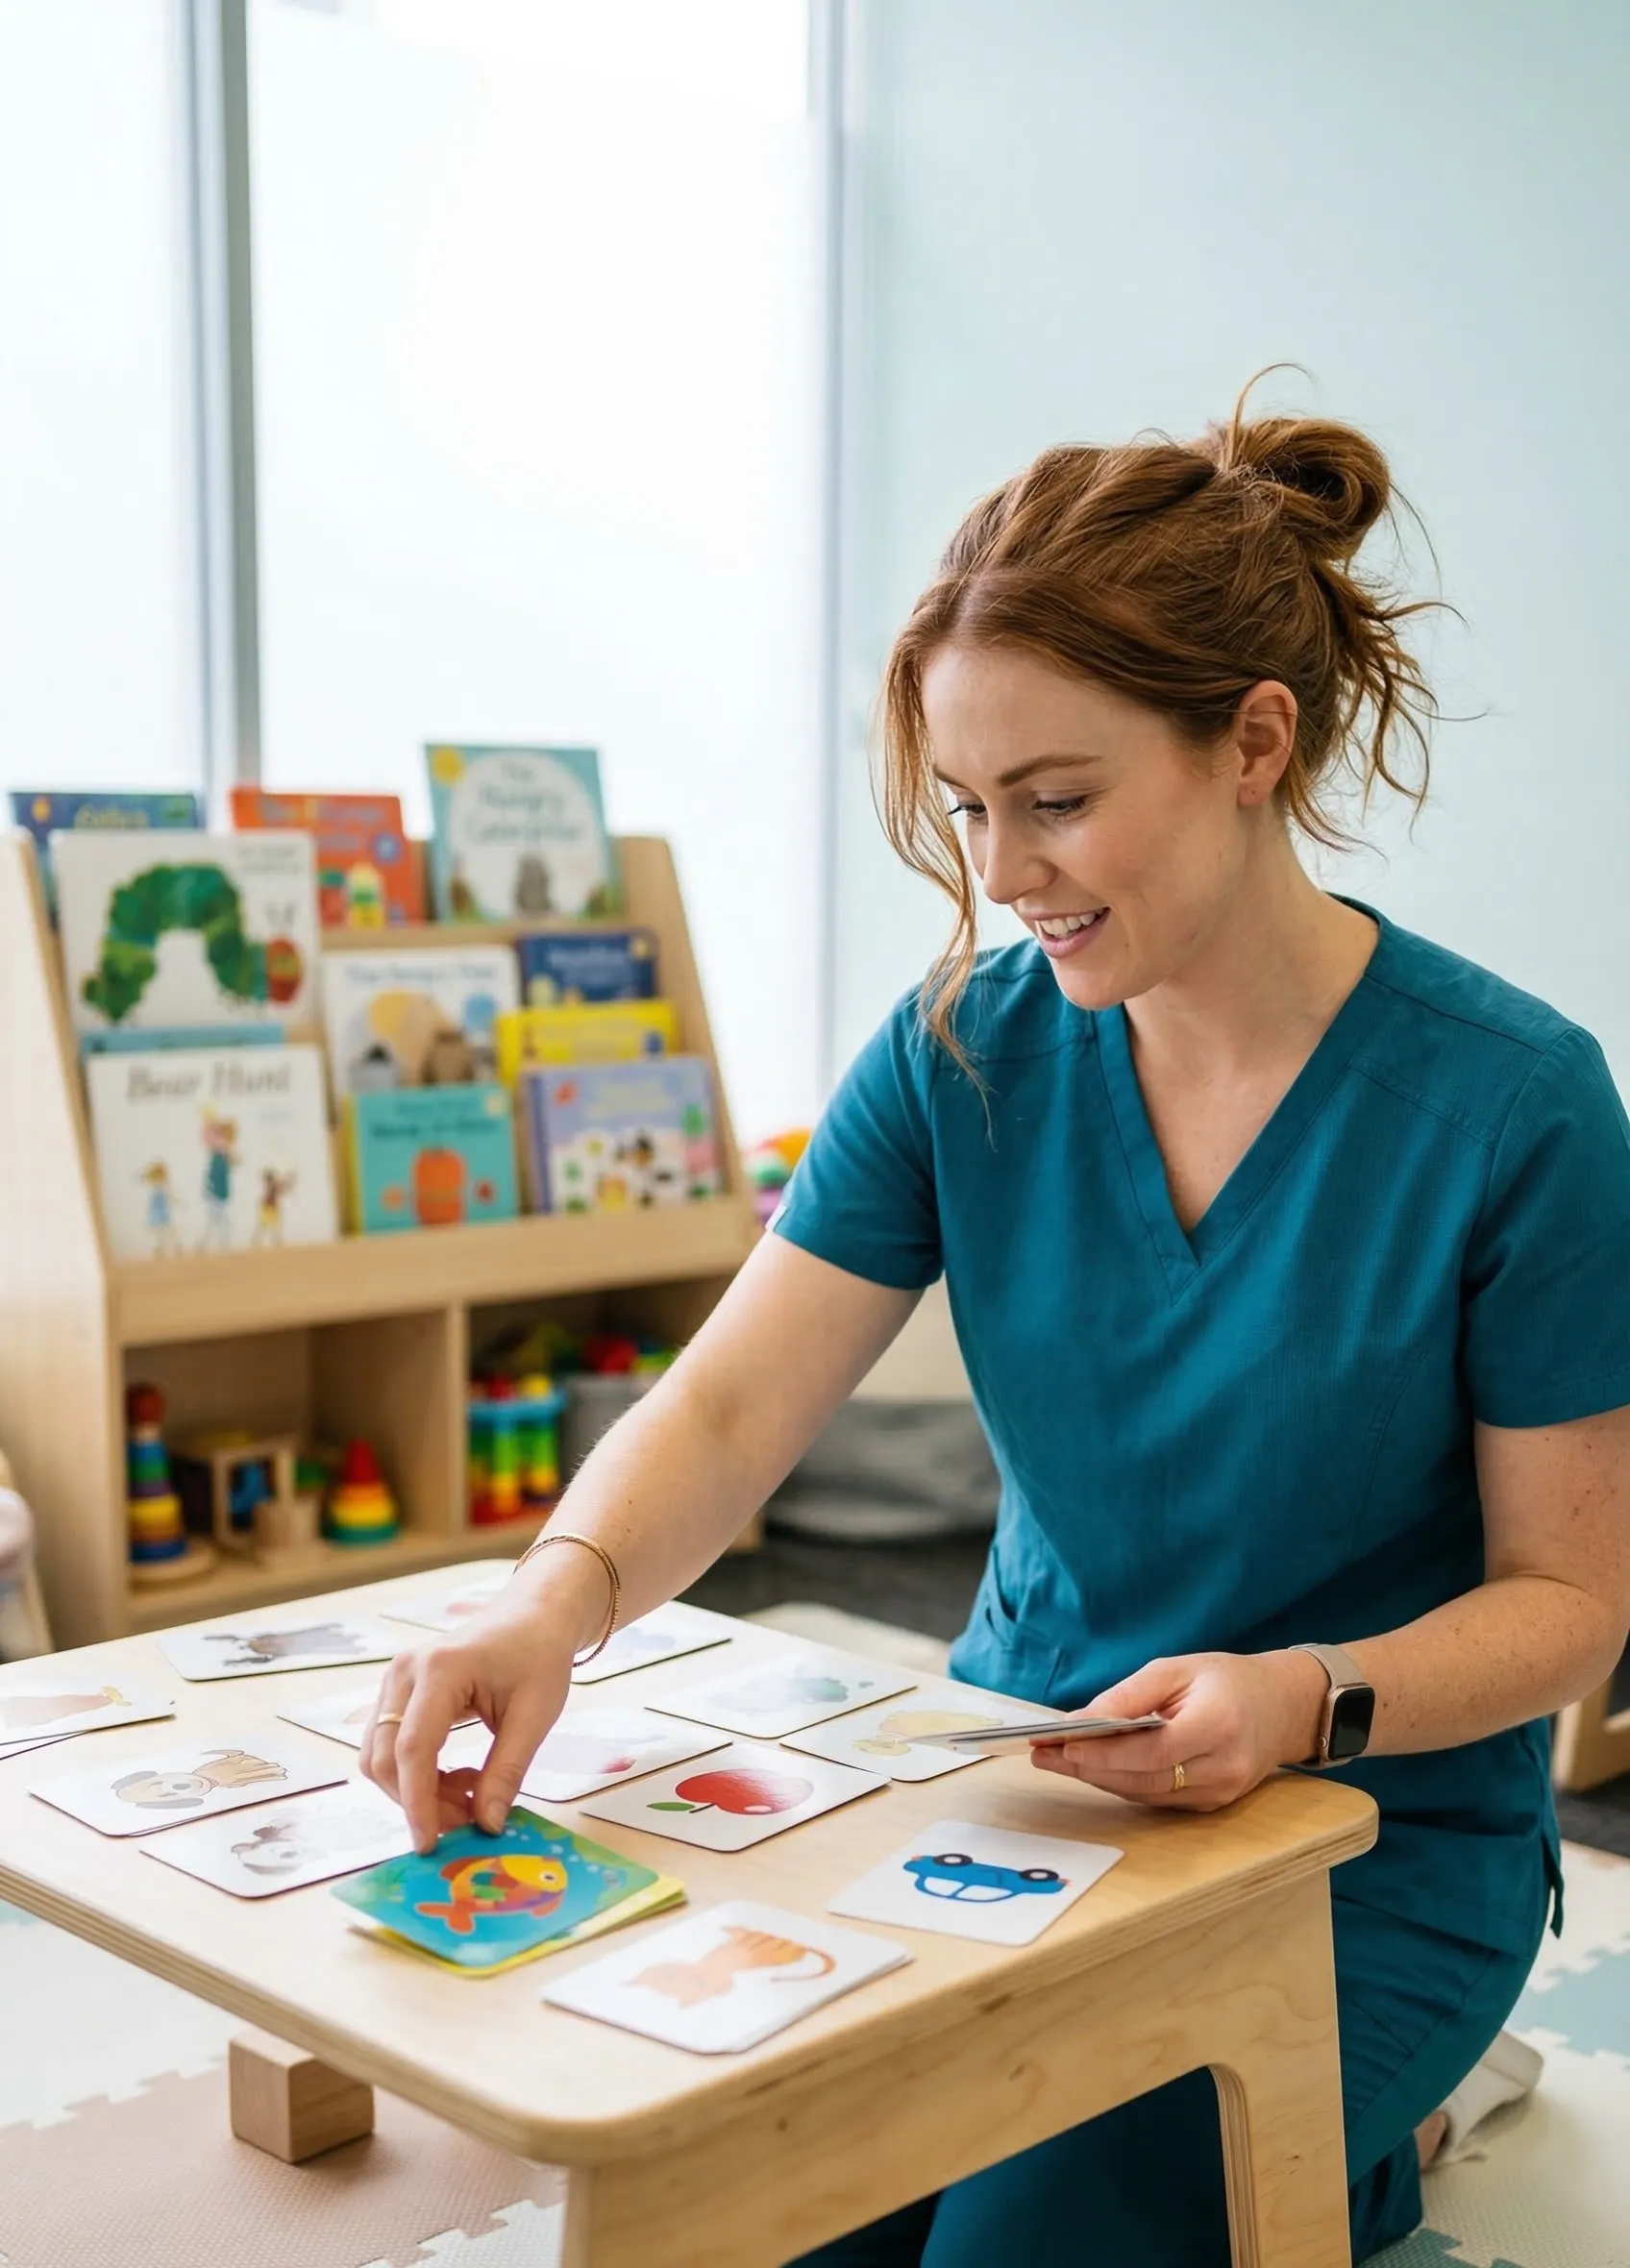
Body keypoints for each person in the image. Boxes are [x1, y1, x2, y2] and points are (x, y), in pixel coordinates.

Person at [362, 383, 1630, 2265]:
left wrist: (1303, 1698)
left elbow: (1572, 1602)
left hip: (1359, 1837)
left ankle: (1381, 2125)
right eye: (967, 807)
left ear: (1252, 742)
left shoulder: (1515, 1106)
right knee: (747, 2217)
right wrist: (551, 1601)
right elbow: (728, 1409)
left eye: (1056, 800)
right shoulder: (961, 1046)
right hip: (1015, 1783)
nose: (1000, 871)